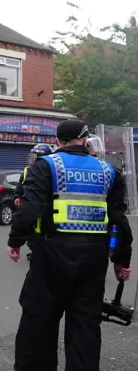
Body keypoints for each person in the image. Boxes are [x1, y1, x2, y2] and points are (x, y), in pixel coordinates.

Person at [8, 119, 133, 371]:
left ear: (57, 142)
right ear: (86, 141)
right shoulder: (108, 171)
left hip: (50, 254)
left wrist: (16, 240)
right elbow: (119, 222)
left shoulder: (45, 166)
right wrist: (121, 260)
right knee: (85, 327)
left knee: (39, 324)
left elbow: (29, 209)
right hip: (93, 260)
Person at [14, 144, 53, 262]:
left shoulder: (52, 169)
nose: (34, 158)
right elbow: (21, 185)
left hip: (44, 205)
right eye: (33, 155)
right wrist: (17, 195)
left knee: (44, 231)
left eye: (36, 155)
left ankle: (42, 252)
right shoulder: (28, 169)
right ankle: (35, 250)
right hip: (29, 202)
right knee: (32, 229)